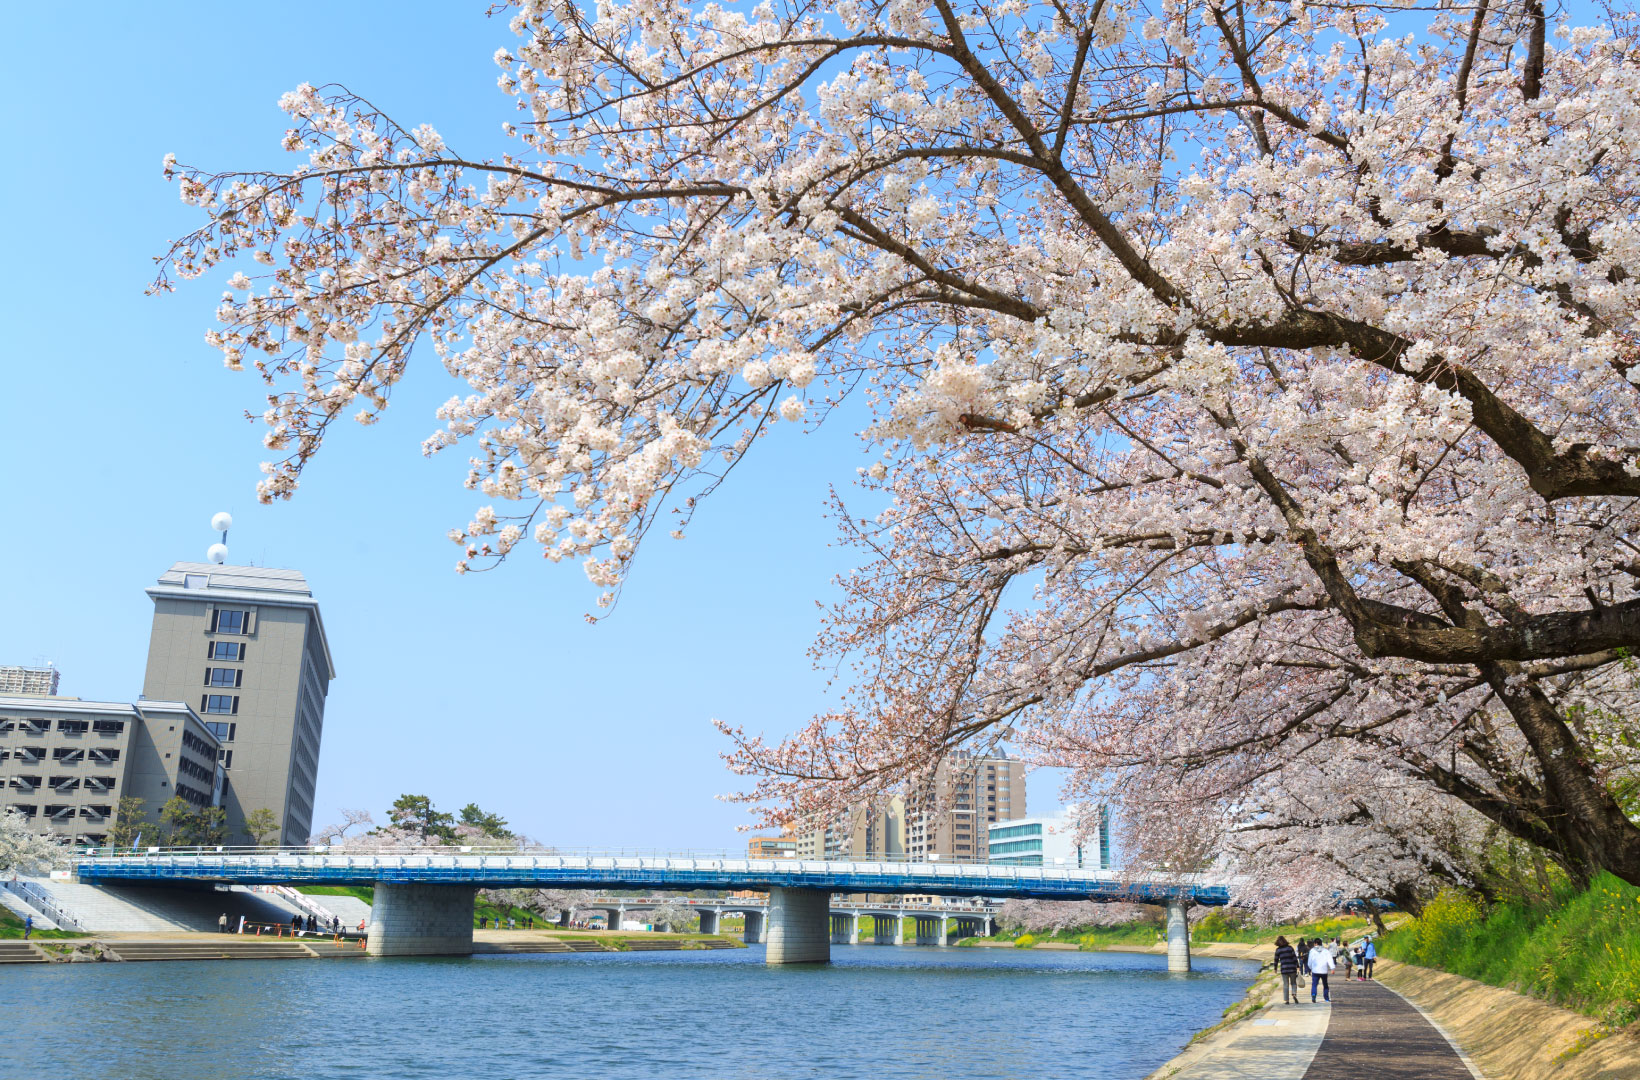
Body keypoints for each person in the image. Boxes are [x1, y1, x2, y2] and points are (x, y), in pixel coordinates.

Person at [1272, 935, 1301, 1004]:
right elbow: (1294, 958)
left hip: (1284, 969)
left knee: (1286, 984)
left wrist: (1275, 968)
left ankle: (1287, 1000)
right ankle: (1294, 994)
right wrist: (1297, 966)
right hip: (1292, 969)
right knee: (1293, 982)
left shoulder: (1278, 950)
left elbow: (1276, 960)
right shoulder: (1290, 948)